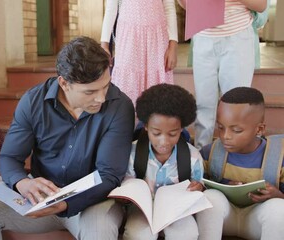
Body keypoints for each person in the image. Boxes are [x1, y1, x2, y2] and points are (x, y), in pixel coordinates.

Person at [0, 36, 135, 240]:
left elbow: (108, 175)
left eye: (105, 86)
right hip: (41, 200)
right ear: (64, 83)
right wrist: (22, 183)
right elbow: (9, 157)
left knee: (100, 231)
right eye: (90, 92)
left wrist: (65, 203)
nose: (101, 98)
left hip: (92, 202)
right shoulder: (33, 101)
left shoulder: (119, 106)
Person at [176, 0, 268, 149]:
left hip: (237, 36)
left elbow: (261, 5)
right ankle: (202, 156)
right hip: (203, 35)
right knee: (203, 104)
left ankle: (235, 156)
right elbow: (186, 5)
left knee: (236, 105)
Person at [195, 87, 284, 240]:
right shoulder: (209, 152)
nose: (225, 136)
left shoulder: (279, 158)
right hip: (224, 219)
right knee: (211, 197)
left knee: (278, 209)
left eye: (236, 130)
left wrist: (278, 195)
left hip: (258, 222)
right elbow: (199, 182)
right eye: (220, 127)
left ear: (259, 129)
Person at [122, 83, 204, 240]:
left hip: (177, 210)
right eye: (156, 133)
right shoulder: (132, 153)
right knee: (138, 235)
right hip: (141, 211)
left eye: (172, 134)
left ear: (181, 129)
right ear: (146, 126)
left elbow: (198, 184)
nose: (164, 141)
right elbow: (126, 184)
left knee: (187, 234)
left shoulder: (192, 157)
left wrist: (198, 187)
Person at [100, 0, 178, 105]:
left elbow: (169, 8)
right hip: (129, 35)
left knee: (157, 93)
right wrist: (104, 45)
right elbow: (110, 10)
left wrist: (173, 46)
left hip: (157, 37)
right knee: (127, 85)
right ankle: (126, 118)